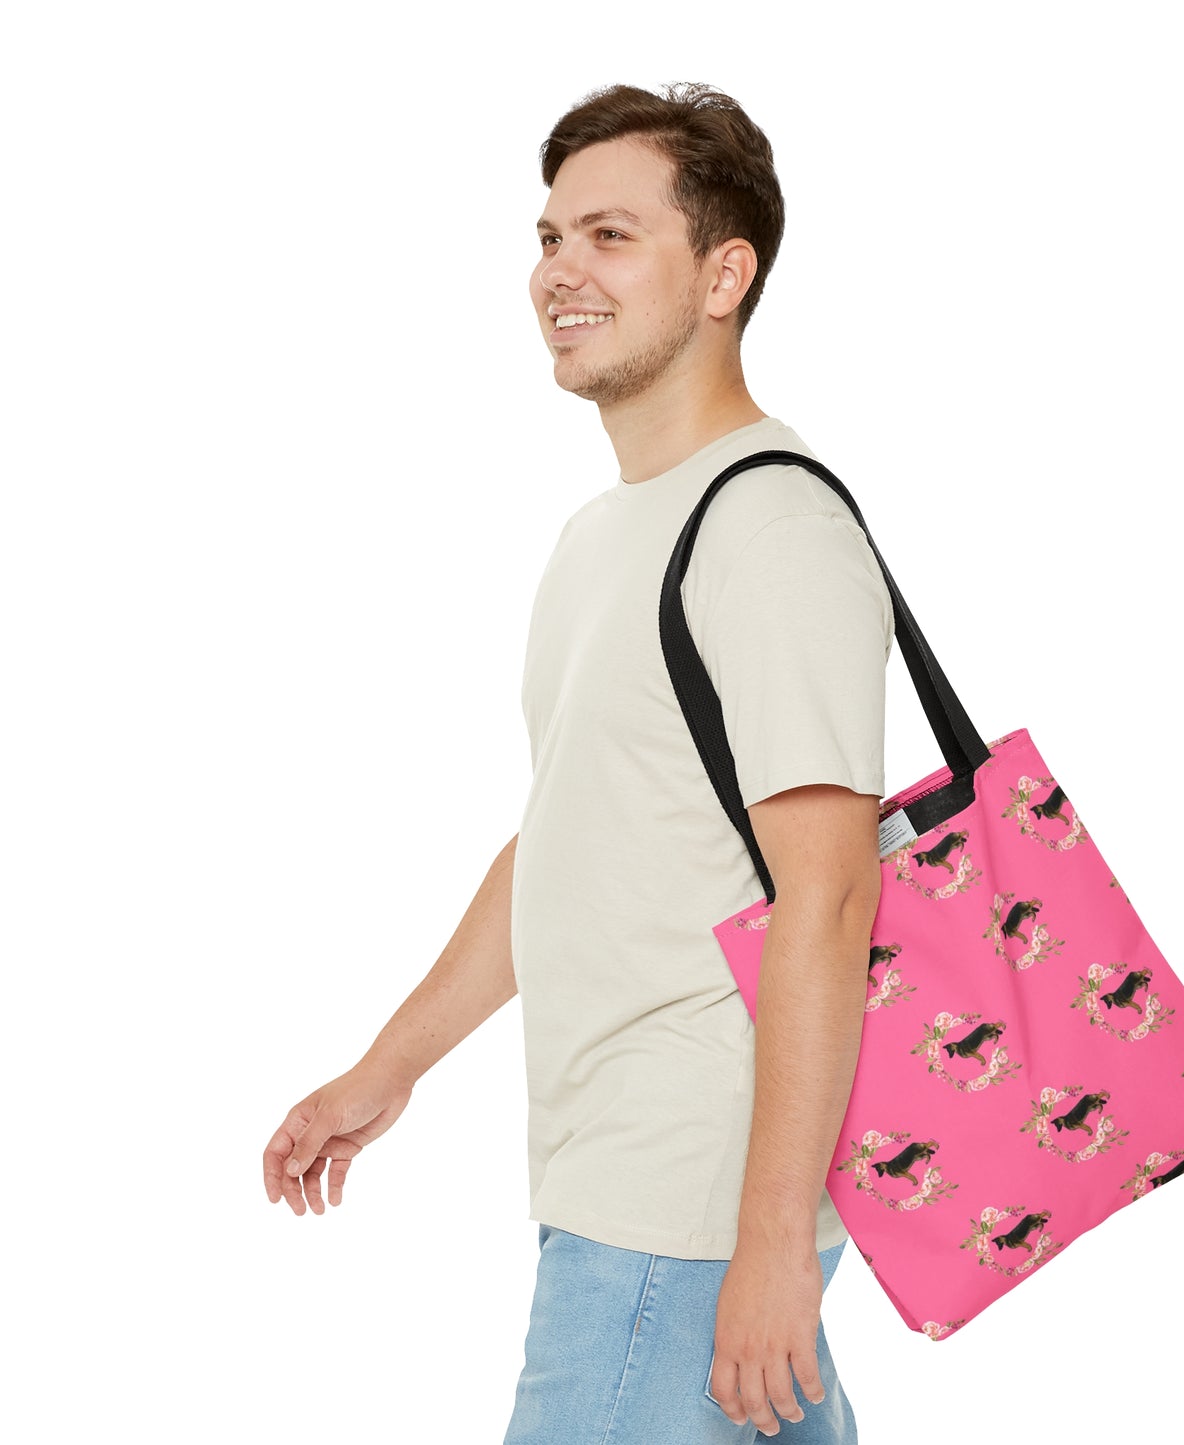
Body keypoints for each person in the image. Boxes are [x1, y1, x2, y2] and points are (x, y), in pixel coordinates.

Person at [262, 82, 894, 1443]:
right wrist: (387, 1069)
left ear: (723, 275)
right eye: (549, 237)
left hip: (679, 1213)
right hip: (627, 1188)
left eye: (611, 235)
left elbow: (832, 893)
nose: (560, 270)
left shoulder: (769, 527)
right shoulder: (604, 536)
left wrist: (769, 1246)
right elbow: (568, 839)